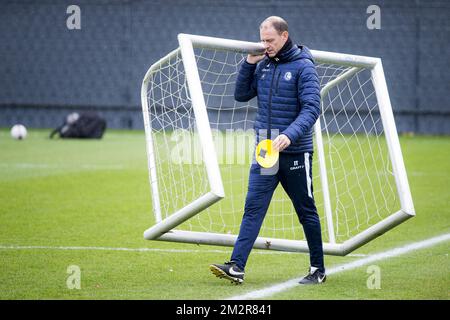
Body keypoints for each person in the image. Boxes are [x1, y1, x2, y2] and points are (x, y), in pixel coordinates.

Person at [209, 16, 326, 285]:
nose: (265, 45)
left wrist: (289, 134)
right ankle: (236, 266)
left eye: (270, 40)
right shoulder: (262, 64)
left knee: (305, 210)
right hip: (266, 151)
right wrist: (249, 63)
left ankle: (318, 269)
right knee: (253, 208)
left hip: (296, 152)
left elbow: (312, 109)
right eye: (263, 40)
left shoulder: (303, 67)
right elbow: (240, 95)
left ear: (284, 36)